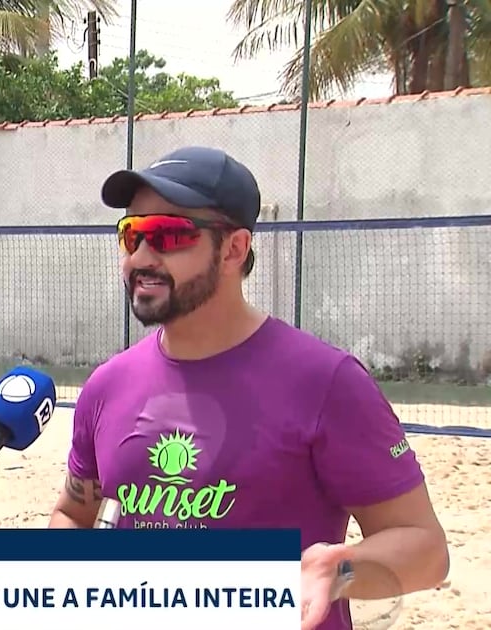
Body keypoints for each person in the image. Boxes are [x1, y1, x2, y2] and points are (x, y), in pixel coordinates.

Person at [47, 146, 449, 629]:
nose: (141, 258)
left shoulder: (326, 382)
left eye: (169, 235)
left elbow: (426, 549)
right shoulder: (106, 386)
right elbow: (75, 512)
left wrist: (336, 570)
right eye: (130, 235)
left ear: (234, 249)